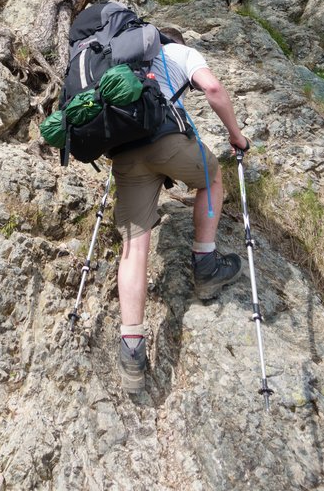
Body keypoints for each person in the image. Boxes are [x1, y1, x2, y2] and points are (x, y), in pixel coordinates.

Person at [110, 25, 249, 394]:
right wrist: (236, 136)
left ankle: (132, 349)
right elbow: (215, 89)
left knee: (134, 247)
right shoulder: (181, 54)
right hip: (167, 144)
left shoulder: (124, 62)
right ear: (175, 42)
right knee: (213, 176)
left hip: (125, 154)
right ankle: (206, 264)